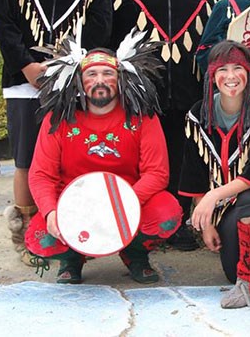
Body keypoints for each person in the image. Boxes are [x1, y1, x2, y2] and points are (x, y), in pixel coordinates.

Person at [0, 0, 112, 265]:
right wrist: (28, 66)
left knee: (74, 155)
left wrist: (71, 70)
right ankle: (28, 233)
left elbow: (100, 28)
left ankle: (73, 229)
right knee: (28, 158)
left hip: (73, 82)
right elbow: (6, 23)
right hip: (24, 81)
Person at [24, 41, 182, 284]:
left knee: (167, 214)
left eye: (108, 73)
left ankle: (134, 254)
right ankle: (72, 258)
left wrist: (121, 204)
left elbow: (157, 173)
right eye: (92, 74)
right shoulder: (58, 119)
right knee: (40, 237)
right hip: (74, 205)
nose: (100, 80)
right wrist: (51, 211)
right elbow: (41, 175)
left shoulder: (142, 116)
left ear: (121, 79)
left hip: (128, 201)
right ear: (78, 80)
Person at [110, 0, 220, 251]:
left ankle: (180, 223)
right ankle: (143, 224)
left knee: (185, 155)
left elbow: (216, 38)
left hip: (190, 88)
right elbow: (111, 37)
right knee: (146, 159)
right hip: (143, 90)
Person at [179, 40, 250, 308]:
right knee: (231, 270)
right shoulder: (199, 114)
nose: (230, 76)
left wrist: (213, 196)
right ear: (212, 76)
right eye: (222, 70)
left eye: (238, 68)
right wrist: (207, 225)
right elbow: (194, 174)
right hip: (220, 203)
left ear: (249, 72)